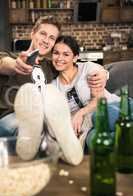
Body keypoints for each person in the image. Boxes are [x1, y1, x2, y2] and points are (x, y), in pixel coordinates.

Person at [0, 18, 109, 165]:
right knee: (27, 127)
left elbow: (75, 65)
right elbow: (2, 62)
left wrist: (103, 72)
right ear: (32, 33)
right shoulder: (12, 57)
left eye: (52, 38)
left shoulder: (51, 66)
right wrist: (14, 65)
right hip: (13, 115)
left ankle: (60, 145)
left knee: (47, 123)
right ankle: (40, 139)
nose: (46, 40)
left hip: (44, 118)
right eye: (43, 34)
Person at [51, 35, 121, 150]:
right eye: (56, 53)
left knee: (97, 116)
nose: (59, 58)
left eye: (66, 54)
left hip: (113, 107)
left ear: (75, 57)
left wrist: (80, 113)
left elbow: (99, 100)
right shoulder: (54, 87)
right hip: (89, 128)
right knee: (95, 141)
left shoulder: (88, 69)